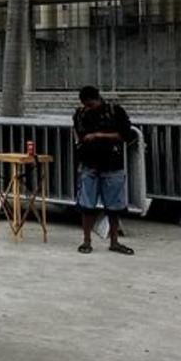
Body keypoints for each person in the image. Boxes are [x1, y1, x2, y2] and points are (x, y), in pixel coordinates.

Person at [73, 85, 137, 256]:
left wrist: (99, 136)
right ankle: (86, 240)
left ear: (97, 99)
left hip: (112, 163)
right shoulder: (80, 114)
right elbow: (80, 135)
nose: (88, 108)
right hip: (89, 163)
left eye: (90, 104)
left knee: (114, 206)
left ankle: (114, 241)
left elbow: (125, 135)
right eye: (85, 105)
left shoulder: (115, 112)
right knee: (86, 205)